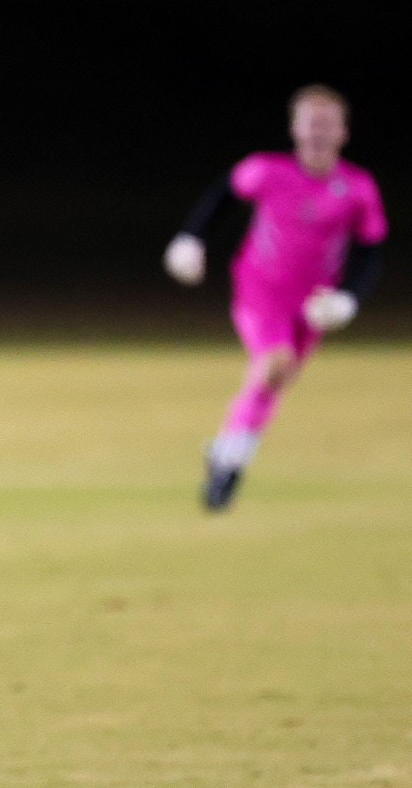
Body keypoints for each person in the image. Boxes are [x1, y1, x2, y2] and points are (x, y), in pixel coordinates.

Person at [162, 83, 388, 511]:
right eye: (310, 123)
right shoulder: (267, 171)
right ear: (295, 129)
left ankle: (226, 451)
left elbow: (370, 250)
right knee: (274, 364)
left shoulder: (357, 189)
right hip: (260, 292)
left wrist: (349, 299)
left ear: (343, 132)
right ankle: (230, 468)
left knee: (275, 380)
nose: (318, 133)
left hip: (313, 305)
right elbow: (222, 196)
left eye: (328, 125)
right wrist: (190, 239)